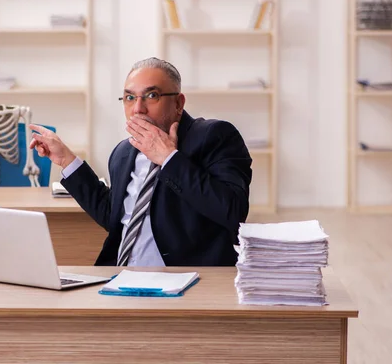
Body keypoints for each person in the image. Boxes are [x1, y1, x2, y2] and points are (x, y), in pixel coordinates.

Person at [29, 57, 252, 267]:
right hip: (121, 275)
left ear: (178, 103)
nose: (138, 109)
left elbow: (232, 212)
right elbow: (115, 216)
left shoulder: (214, 136)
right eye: (129, 98)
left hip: (186, 279)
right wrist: (67, 160)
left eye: (152, 96)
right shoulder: (123, 152)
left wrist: (169, 158)